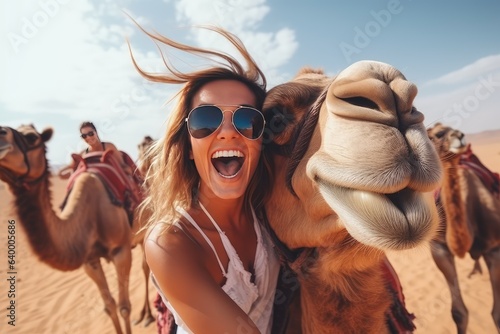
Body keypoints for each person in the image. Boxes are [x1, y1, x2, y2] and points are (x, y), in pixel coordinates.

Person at [133, 26, 281, 334]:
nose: (227, 132)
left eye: (247, 120)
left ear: (261, 140)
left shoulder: (268, 208)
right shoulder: (171, 243)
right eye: (206, 120)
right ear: (187, 147)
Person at [58, 121, 132, 179]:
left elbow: (124, 167)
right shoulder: (83, 154)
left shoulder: (109, 147)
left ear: (96, 132)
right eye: (84, 136)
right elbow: (64, 174)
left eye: (90, 133)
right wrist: (70, 167)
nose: (88, 137)